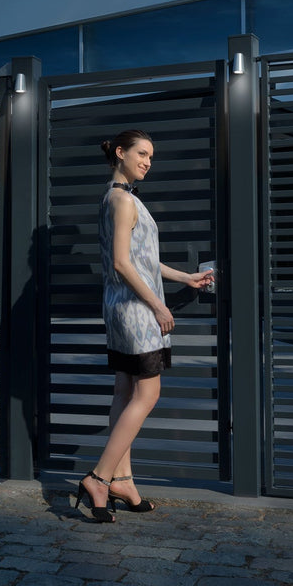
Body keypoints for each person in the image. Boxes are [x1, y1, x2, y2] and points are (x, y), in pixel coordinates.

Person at [74, 129, 215, 523]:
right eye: (142, 154)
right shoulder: (122, 200)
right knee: (148, 394)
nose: (148, 162)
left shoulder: (114, 197)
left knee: (124, 392)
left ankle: (123, 481)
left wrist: (185, 277)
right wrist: (157, 305)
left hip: (118, 308)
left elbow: (143, 260)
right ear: (120, 153)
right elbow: (122, 262)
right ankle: (99, 478)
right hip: (136, 312)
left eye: (151, 156)